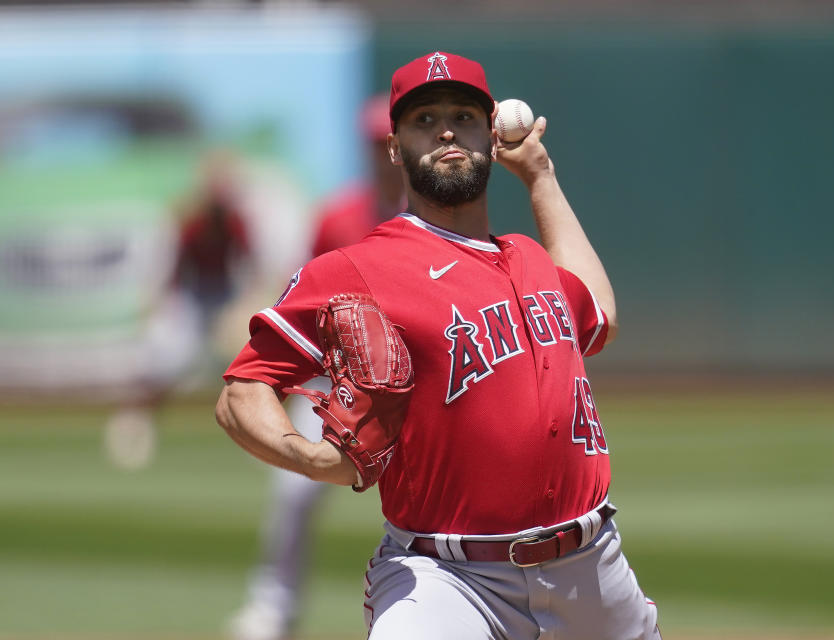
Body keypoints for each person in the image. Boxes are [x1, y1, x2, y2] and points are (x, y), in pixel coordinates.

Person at [216, 51, 661, 639]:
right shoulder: (356, 267)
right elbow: (242, 390)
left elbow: (600, 314)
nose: (447, 129)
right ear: (396, 147)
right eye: (424, 119)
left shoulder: (528, 256)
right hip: (447, 580)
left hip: (594, 571)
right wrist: (311, 457)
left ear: (491, 136)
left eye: (464, 116)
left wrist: (540, 176)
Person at [226, 94, 404, 640]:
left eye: (389, 142)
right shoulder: (339, 216)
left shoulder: (440, 216)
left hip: (422, 384)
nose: (383, 153)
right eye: (374, 143)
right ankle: (273, 606)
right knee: (295, 492)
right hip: (335, 381)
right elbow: (298, 299)